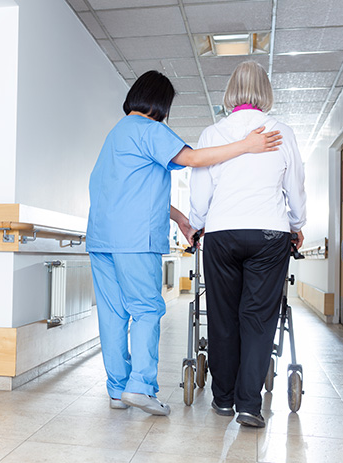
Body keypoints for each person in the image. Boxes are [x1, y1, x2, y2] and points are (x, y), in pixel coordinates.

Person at [86, 70, 282, 416]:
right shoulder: (150, 129)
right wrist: (247, 145)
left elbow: (129, 191)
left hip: (102, 238)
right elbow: (192, 159)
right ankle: (140, 388)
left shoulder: (114, 136)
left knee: (113, 314)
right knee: (146, 309)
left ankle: (117, 389)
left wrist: (179, 218)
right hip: (135, 240)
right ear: (161, 103)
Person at [189, 61, 306, 427]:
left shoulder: (212, 133)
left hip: (222, 233)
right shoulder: (282, 131)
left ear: (230, 93)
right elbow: (296, 188)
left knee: (223, 316)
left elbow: (199, 193)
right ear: (265, 92)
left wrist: (196, 226)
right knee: (257, 318)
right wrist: (297, 225)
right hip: (270, 233)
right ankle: (249, 405)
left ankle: (223, 399)